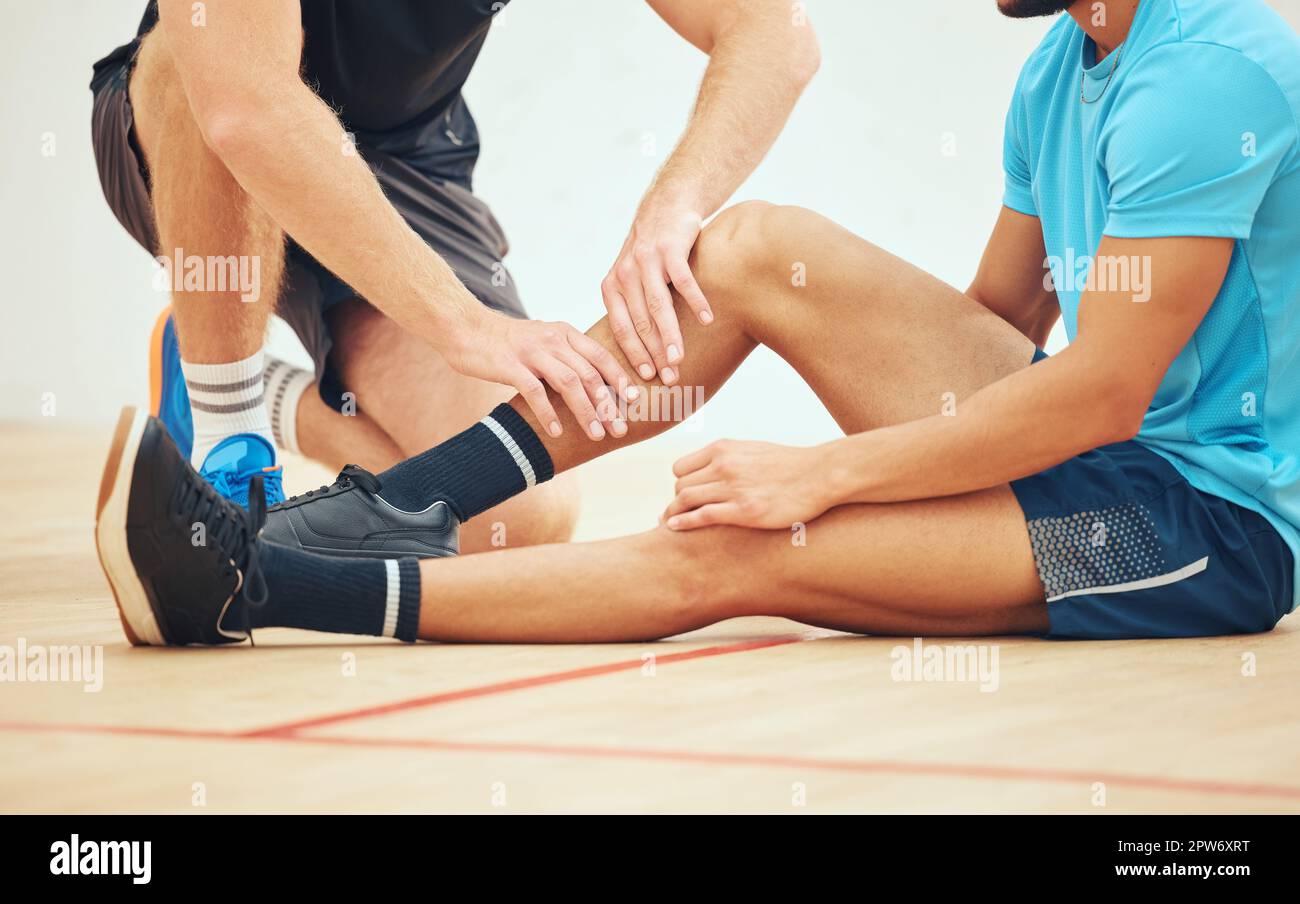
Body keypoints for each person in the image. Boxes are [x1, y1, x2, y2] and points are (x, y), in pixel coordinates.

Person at [96, 0, 1299, 646]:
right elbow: (985, 334)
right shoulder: (1062, 67)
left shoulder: (1212, 69)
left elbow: (1100, 395)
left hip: (1193, 527)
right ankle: (380, 512)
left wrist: (822, 479)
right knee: (745, 248)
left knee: (735, 551)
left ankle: (250, 583)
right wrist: (873, 473)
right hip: (1091, 455)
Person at [89, 0, 820, 555]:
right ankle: (229, 444)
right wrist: (462, 323)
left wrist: (676, 203)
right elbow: (245, 109)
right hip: (197, 125)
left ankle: (249, 388)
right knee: (197, 57)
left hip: (402, 162)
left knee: (519, 517)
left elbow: (775, 34)